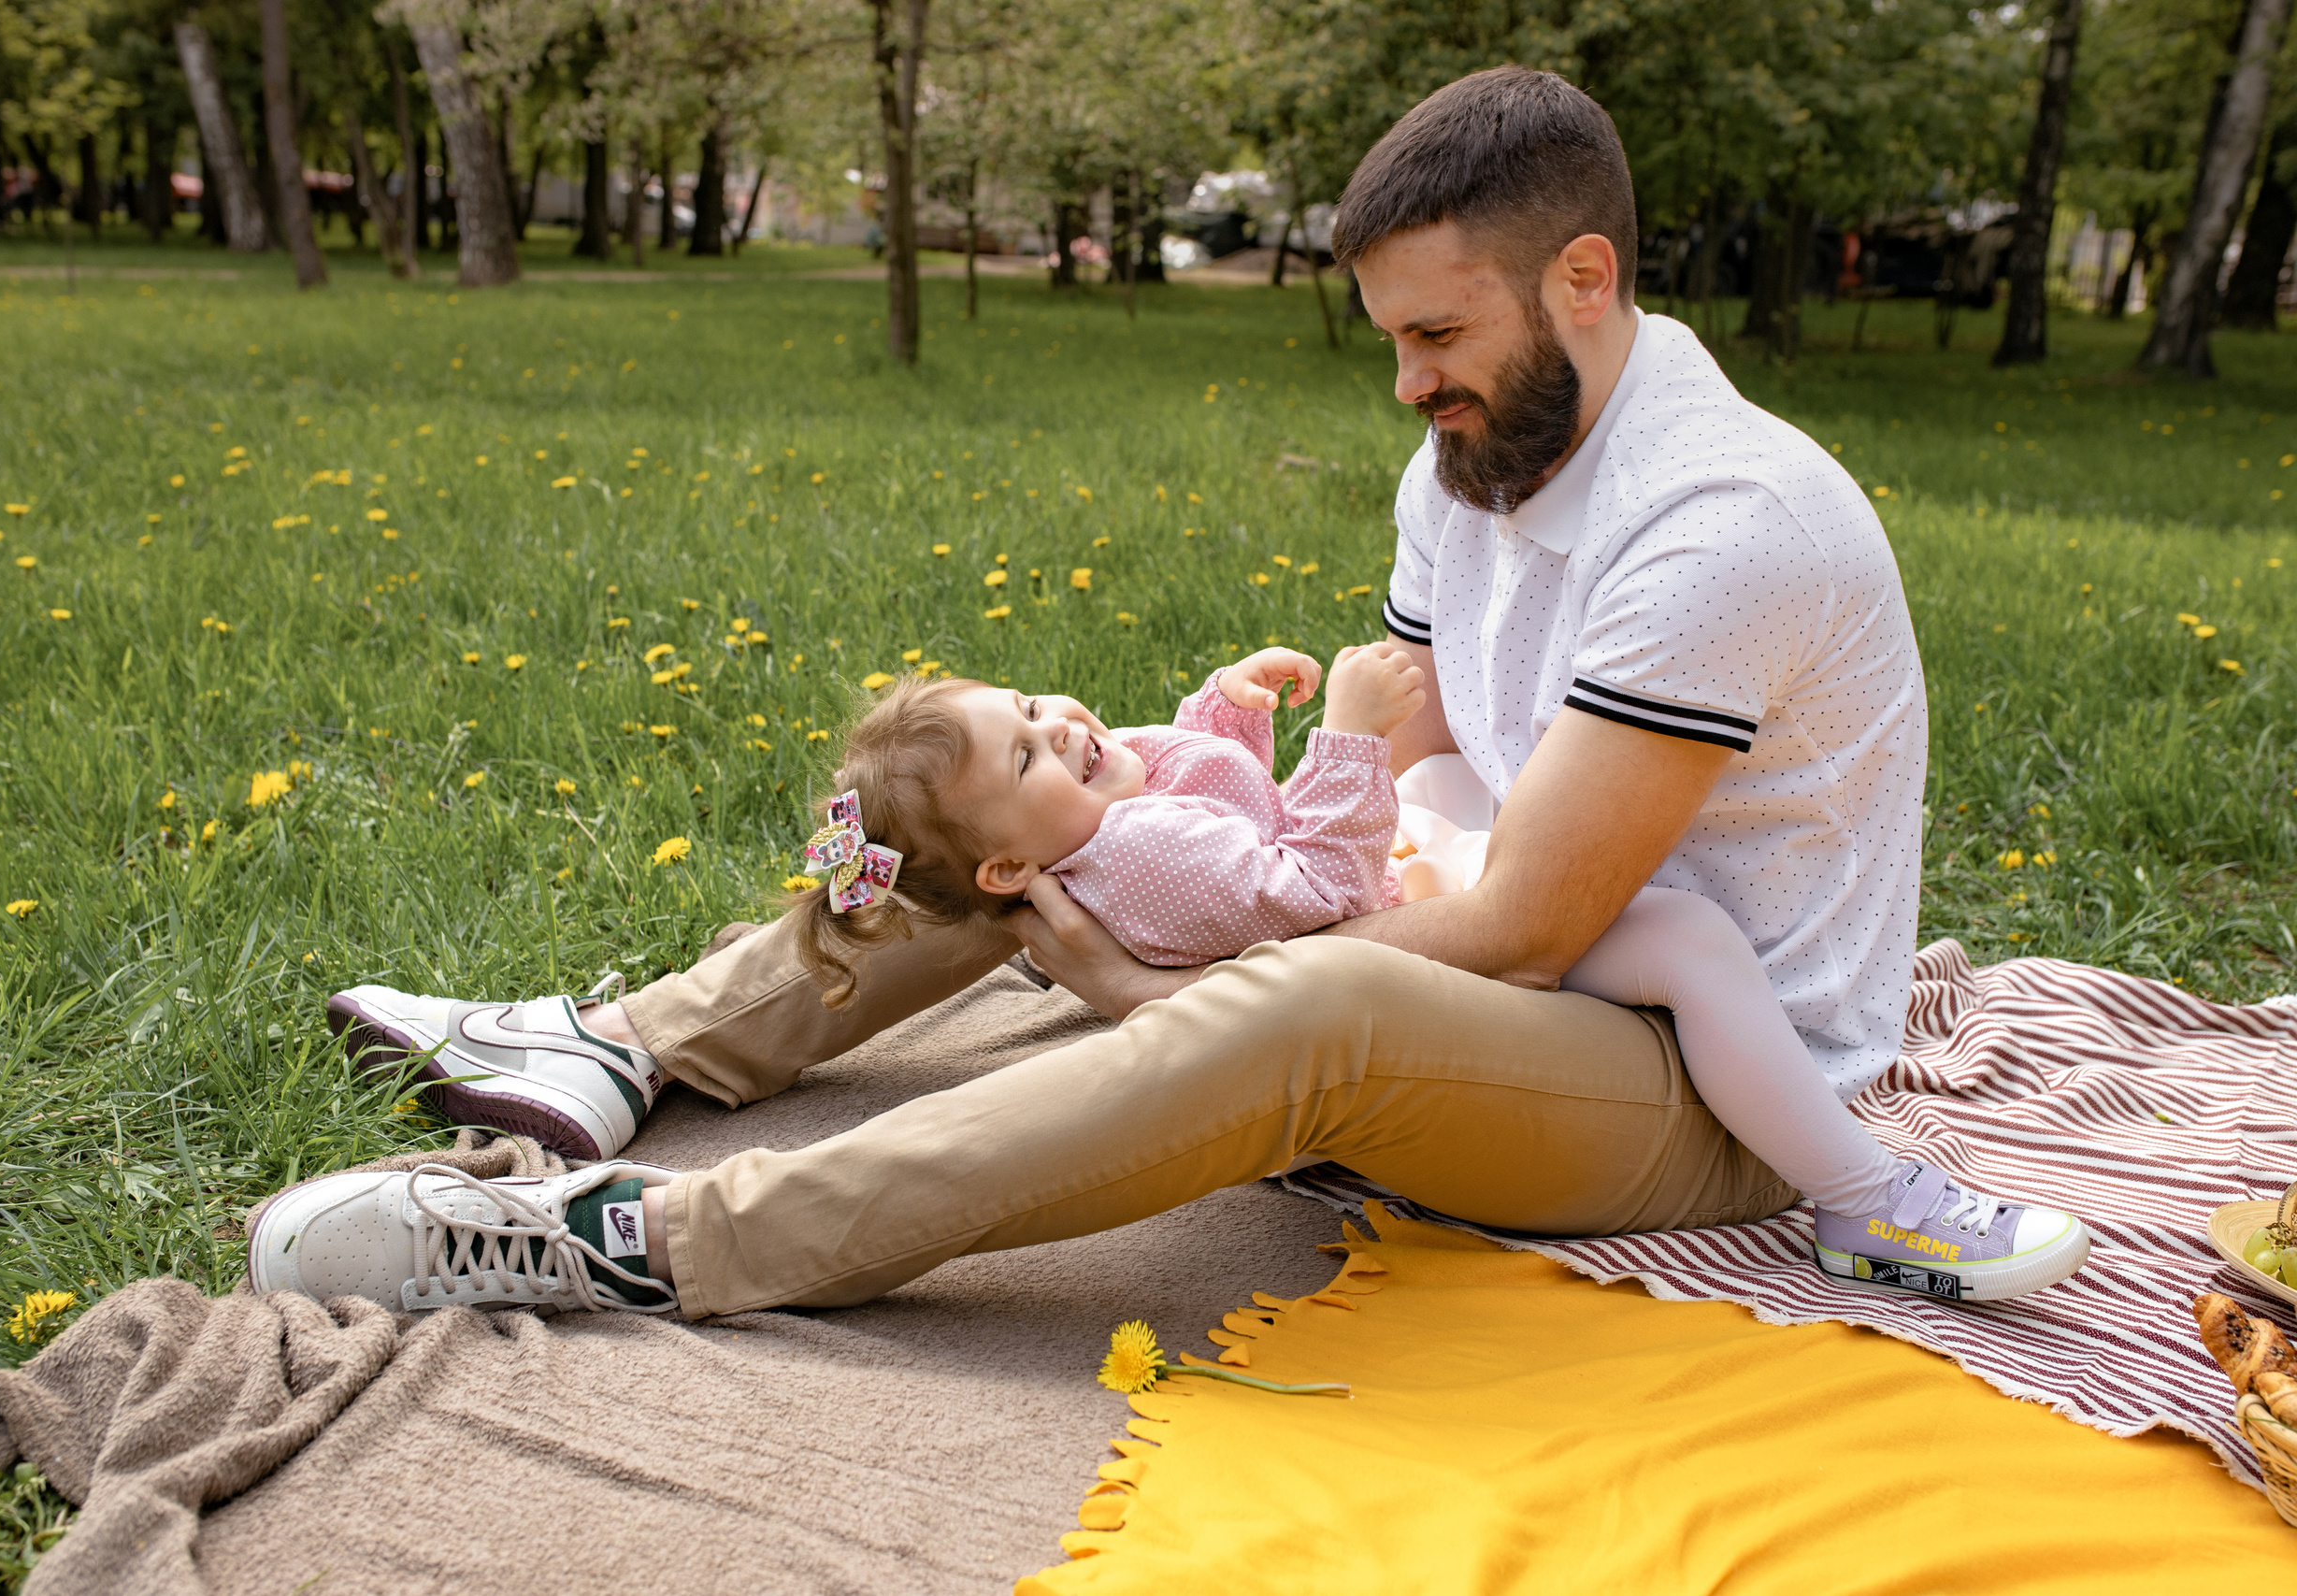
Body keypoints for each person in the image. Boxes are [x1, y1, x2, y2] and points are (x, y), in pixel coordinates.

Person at [251, 65, 2085, 1325]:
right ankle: (632, 1041)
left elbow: (1532, 921)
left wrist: (1160, 985)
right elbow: (1420, 734)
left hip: (1701, 1091)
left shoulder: (1725, 528)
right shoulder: (1469, 456)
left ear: (1580, 282)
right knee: (1037, 791)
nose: (1403, 386)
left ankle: (641, 1242)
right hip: (1507, 929)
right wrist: (1171, 796)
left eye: (1435, 335)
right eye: (1387, 339)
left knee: (1302, 1000)